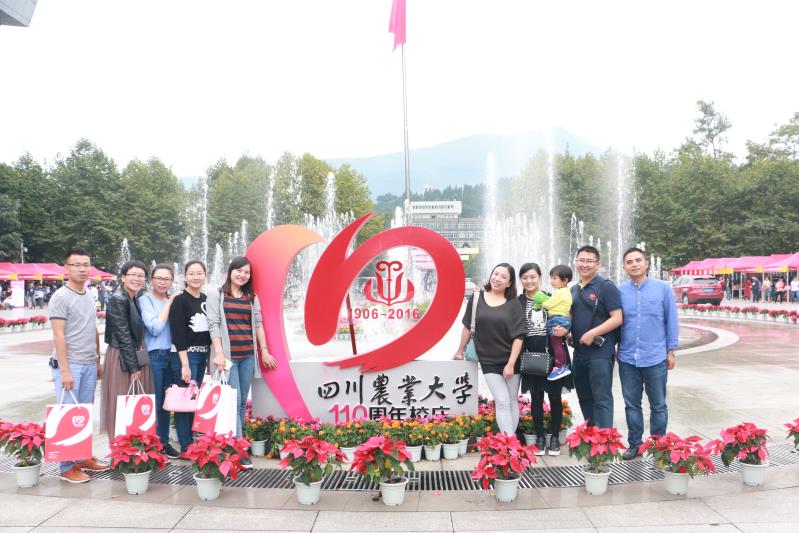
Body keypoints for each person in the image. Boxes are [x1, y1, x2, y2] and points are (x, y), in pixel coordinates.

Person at [207, 257, 276, 468]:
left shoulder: (251, 297)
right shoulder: (217, 294)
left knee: (241, 401)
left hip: (247, 356)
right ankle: (239, 448)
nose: (242, 275)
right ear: (230, 271)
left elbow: (258, 324)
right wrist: (219, 353)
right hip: (227, 358)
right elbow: (213, 324)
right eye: (238, 270)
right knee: (235, 401)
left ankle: (233, 442)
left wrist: (264, 351)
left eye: (246, 272)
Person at [49, 247, 109, 483]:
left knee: (83, 413)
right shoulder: (61, 296)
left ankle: (82, 456)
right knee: (68, 413)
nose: (82, 269)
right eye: (77, 265)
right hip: (70, 364)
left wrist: (97, 360)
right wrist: (64, 370)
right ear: (67, 268)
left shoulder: (88, 294)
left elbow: (92, 329)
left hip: (88, 363)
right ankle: (66, 467)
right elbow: (58, 335)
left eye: (86, 264)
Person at [617, 248, 679, 460]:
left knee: (658, 405)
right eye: (629, 262)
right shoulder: (620, 291)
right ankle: (635, 444)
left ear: (646, 264)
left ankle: (658, 446)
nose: (634, 264)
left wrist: (671, 351)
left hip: (655, 357)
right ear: (624, 267)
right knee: (631, 405)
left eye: (638, 260)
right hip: (627, 358)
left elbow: (671, 321)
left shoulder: (663, 289)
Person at [454, 263, 525, 436]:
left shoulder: (513, 303)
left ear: (509, 283)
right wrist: (460, 350)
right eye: (496, 273)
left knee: (512, 401)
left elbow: (519, 336)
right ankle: (509, 443)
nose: (497, 278)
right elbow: (467, 326)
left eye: (503, 277)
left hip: (511, 359)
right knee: (501, 400)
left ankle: (510, 442)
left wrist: (510, 364)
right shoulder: (477, 297)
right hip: (488, 359)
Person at [555, 245, 623, 429]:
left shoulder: (606, 287)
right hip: (580, 353)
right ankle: (592, 436)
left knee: (602, 398)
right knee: (584, 397)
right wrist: (568, 333)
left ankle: (605, 439)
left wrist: (593, 333)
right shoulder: (573, 290)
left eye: (589, 261)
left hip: (600, 353)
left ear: (598, 264)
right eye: (581, 260)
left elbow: (617, 318)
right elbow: (571, 318)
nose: (584, 265)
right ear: (576, 262)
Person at [518, 262, 574, 456]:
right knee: (536, 397)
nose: (529, 281)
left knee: (555, 396)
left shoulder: (551, 297)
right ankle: (540, 437)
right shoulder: (518, 302)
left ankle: (555, 437)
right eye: (525, 277)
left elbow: (567, 319)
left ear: (540, 278)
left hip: (553, 355)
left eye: (533, 277)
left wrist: (567, 331)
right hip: (531, 355)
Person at [102, 261, 154, 442]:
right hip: (122, 357)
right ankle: (119, 446)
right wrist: (133, 367)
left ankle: (131, 446)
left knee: (132, 402)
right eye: (132, 275)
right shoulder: (119, 299)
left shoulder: (133, 298)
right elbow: (123, 335)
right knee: (123, 401)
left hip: (132, 354)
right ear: (123, 277)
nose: (136, 279)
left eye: (140, 276)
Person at [169, 260, 212, 453]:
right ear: (185, 276)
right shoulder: (180, 299)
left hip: (201, 356)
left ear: (205, 275)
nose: (196, 277)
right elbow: (178, 333)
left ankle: (191, 441)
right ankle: (186, 446)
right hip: (186, 356)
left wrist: (208, 358)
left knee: (193, 398)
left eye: (199, 273)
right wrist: (184, 364)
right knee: (184, 400)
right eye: (191, 273)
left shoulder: (205, 299)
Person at [139, 264, 182, 458]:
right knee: (155, 402)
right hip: (154, 356)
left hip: (171, 356)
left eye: (167, 279)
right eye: (159, 278)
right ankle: (151, 445)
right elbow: (155, 328)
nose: (163, 282)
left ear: (172, 281)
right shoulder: (145, 300)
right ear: (151, 279)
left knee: (166, 403)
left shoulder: (169, 300)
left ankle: (163, 443)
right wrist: (170, 301)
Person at [540, 265, 573, 381]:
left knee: (556, 344)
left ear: (565, 280)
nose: (552, 281)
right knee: (559, 344)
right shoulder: (564, 291)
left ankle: (560, 367)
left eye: (555, 278)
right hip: (560, 319)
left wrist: (540, 302)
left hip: (557, 319)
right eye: (551, 278)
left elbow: (549, 304)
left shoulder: (561, 292)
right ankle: (562, 366)